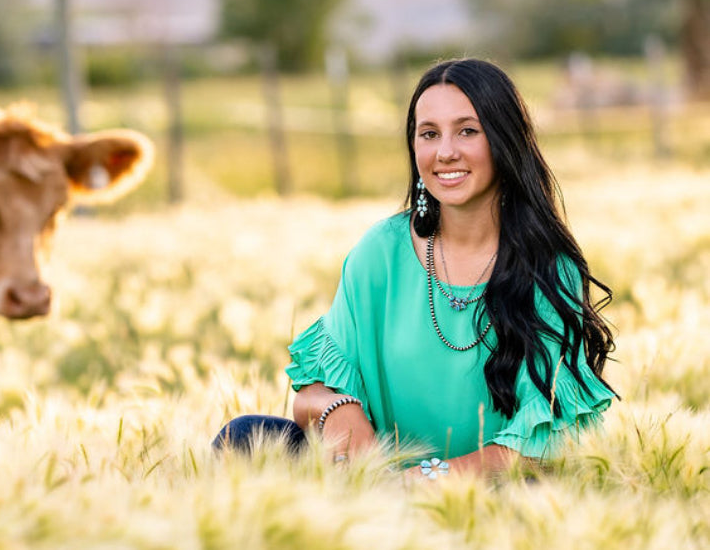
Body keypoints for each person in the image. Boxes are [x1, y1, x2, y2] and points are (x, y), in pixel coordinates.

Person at [213, 58, 616, 479]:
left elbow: (547, 445)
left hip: (485, 493)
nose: (445, 152)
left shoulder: (549, 270)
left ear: (505, 141)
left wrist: (426, 482)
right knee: (244, 436)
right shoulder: (380, 253)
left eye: (467, 131)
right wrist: (339, 408)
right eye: (429, 134)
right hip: (372, 484)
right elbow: (311, 393)